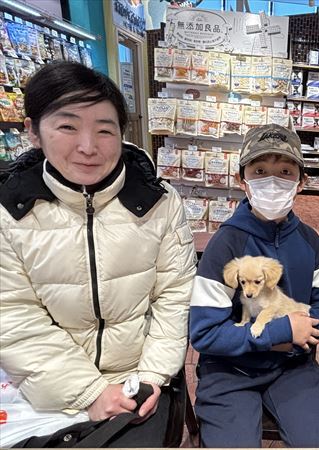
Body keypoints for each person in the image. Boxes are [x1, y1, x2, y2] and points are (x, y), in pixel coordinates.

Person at [0, 61, 197, 447]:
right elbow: (13, 315)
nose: (88, 147)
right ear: (33, 131)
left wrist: (151, 377)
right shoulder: (9, 211)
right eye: (67, 127)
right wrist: (89, 392)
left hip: (138, 378)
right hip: (44, 384)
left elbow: (174, 295)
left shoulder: (158, 202)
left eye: (105, 130)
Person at [189, 123, 319, 448]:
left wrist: (306, 331)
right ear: (241, 180)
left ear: (301, 182)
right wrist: (279, 333)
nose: (272, 182)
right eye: (260, 171)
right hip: (228, 371)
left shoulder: (310, 241)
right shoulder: (224, 245)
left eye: (285, 172)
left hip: (293, 368)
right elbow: (204, 333)